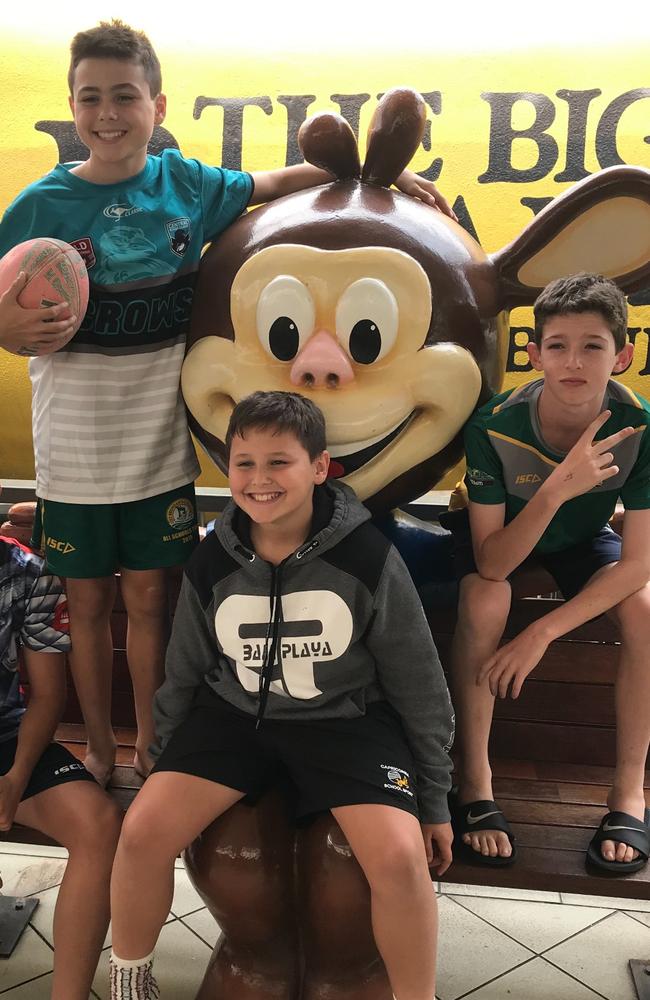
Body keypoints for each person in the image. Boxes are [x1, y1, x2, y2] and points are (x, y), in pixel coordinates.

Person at [0, 20, 453, 788]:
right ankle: (99, 745)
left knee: (147, 601)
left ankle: (149, 740)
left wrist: (378, 185)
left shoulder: (187, 186)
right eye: (90, 98)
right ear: (72, 107)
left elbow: (280, 182)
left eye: (124, 96)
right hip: (71, 447)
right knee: (87, 606)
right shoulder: (40, 205)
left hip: (155, 444)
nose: (107, 113)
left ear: (157, 102)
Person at [108, 390, 454, 1000]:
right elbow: (184, 669)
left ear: (319, 468)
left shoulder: (367, 557)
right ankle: (130, 981)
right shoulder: (213, 556)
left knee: (400, 861)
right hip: (234, 718)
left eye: (279, 462)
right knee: (140, 833)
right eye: (244, 463)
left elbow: (419, 683)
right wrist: (162, 757)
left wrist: (434, 800)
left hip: (344, 724)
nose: (259, 480)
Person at [449, 272, 650, 874]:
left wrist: (541, 633)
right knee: (485, 599)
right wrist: (560, 486)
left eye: (593, 345)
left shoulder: (640, 428)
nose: (574, 362)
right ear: (532, 354)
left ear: (624, 355)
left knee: (644, 610)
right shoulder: (495, 425)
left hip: (584, 540)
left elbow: (638, 562)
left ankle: (628, 791)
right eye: (557, 345)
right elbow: (494, 561)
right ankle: (475, 782)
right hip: (507, 540)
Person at [0, 505, 122, 1000]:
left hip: (9, 738)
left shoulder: (29, 573)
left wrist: (14, 778)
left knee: (100, 824)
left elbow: (48, 696)